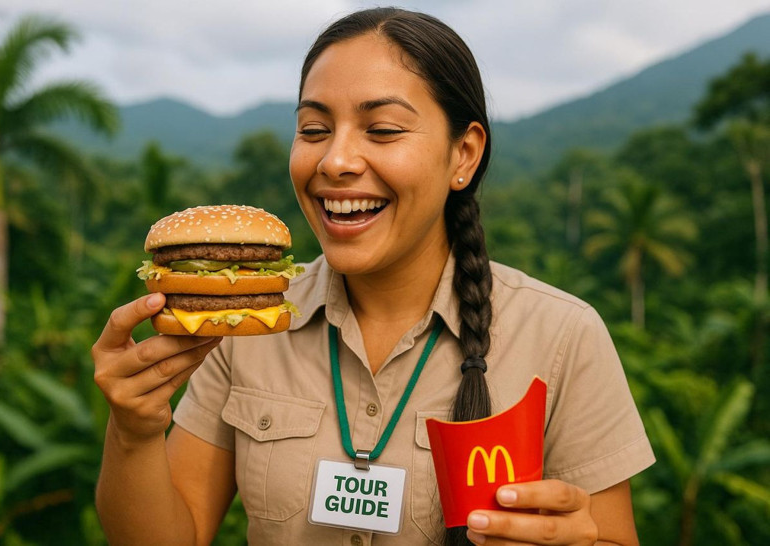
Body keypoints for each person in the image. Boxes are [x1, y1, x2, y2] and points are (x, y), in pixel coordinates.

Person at [92, 7, 655, 545]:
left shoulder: (562, 335)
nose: (335, 161)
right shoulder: (243, 324)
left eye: (382, 130)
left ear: (464, 154)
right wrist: (135, 432)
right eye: (313, 130)